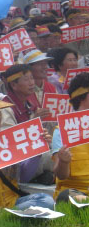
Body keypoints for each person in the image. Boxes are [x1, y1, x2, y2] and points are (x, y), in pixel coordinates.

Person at [52, 72, 89, 202]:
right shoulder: (62, 131)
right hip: (75, 193)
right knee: (71, 197)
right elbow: (61, 175)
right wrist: (64, 161)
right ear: (81, 97)